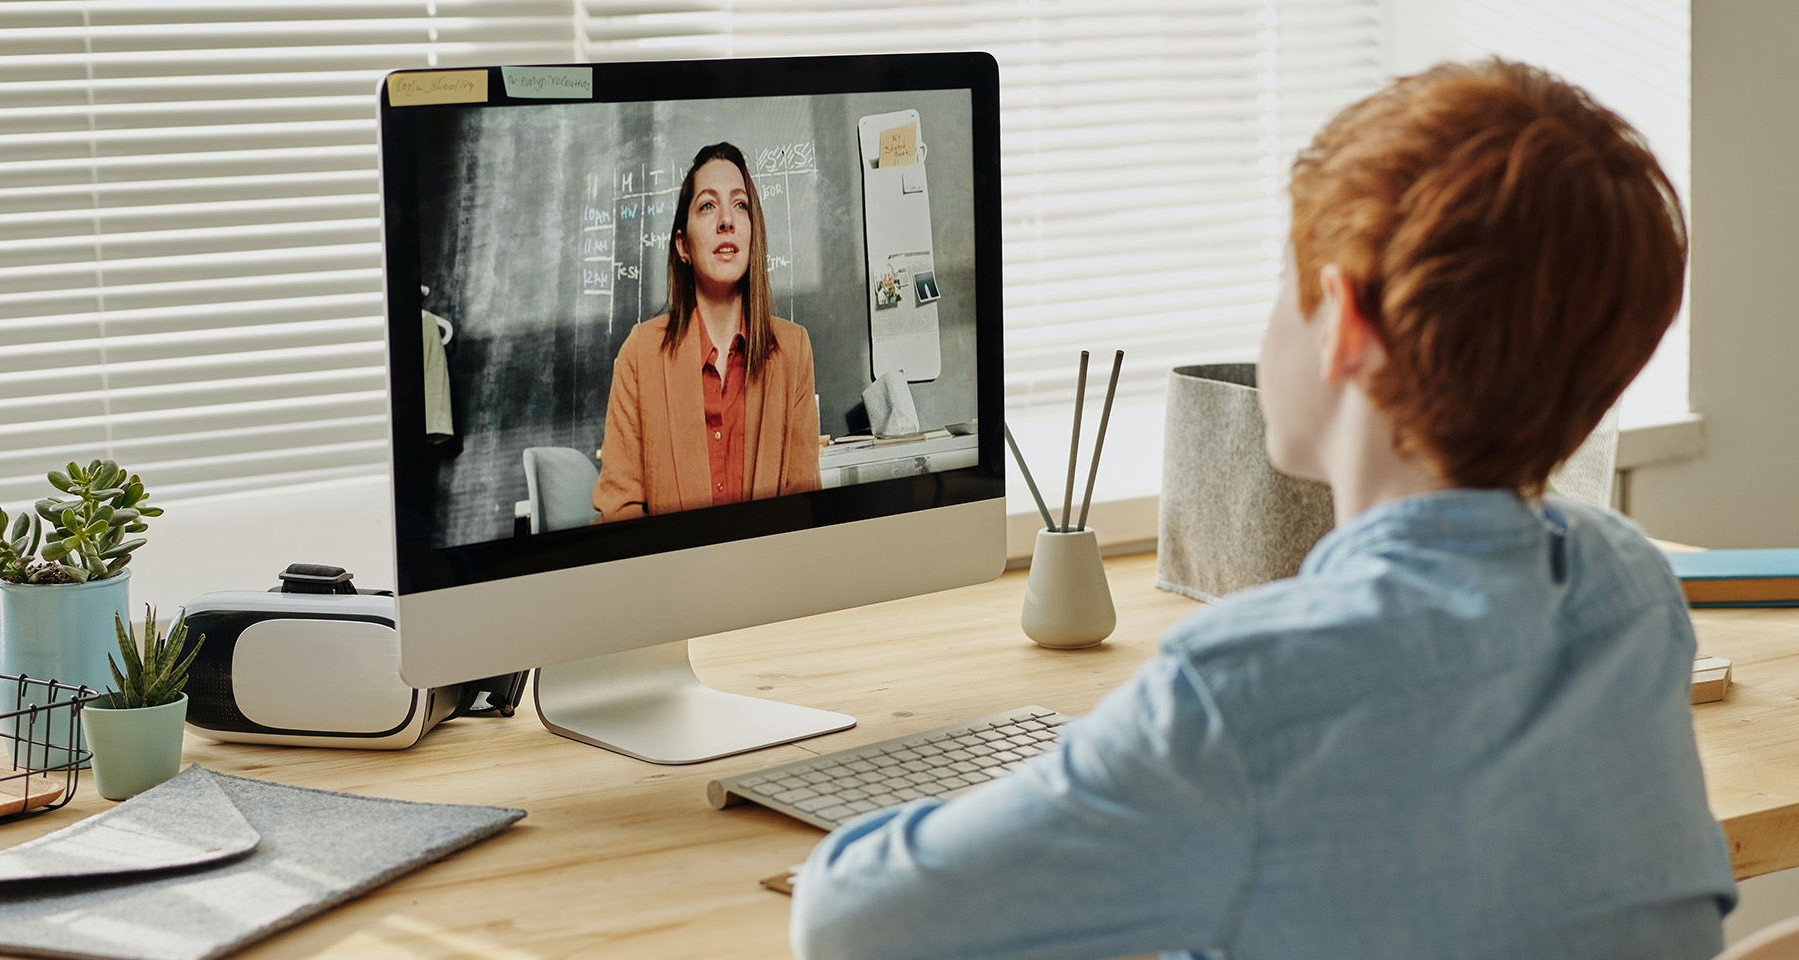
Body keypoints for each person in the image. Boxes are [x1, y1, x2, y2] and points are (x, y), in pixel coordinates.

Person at [790, 60, 1736, 960]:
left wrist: (1068, 790)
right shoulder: (1628, 590)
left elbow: (849, 922)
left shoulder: (1247, 696)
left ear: (1345, 325)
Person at [592, 142, 821, 523]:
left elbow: (803, 506)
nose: (726, 221)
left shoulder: (793, 351)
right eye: (708, 206)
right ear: (683, 245)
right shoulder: (640, 353)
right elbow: (620, 511)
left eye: (740, 205)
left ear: (752, 234)